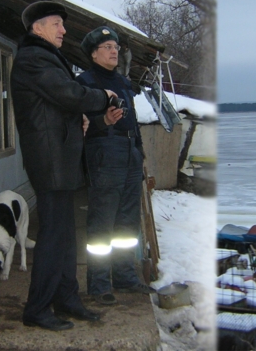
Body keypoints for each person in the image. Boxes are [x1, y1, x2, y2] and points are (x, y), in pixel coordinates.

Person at [11, 1, 118, 331]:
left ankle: (66, 298)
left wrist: (80, 120)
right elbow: (67, 93)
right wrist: (102, 96)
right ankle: (38, 308)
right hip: (50, 161)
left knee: (65, 235)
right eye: (57, 24)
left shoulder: (44, 57)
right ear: (38, 27)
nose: (64, 30)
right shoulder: (33, 58)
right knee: (53, 236)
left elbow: (55, 105)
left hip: (60, 158)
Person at [76, 26, 154, 305]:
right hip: (104, 152)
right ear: (93, 53)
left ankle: (124, 277)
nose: (113, 51)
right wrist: (102, 120)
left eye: (116, 47)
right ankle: (98, 284)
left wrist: (140, 152)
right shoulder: (84, 81)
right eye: (107, 47)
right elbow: (78, 125)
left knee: (127, 220)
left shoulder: (123, 81)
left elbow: (132, 120)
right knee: (102, 221)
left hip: (130, 151)